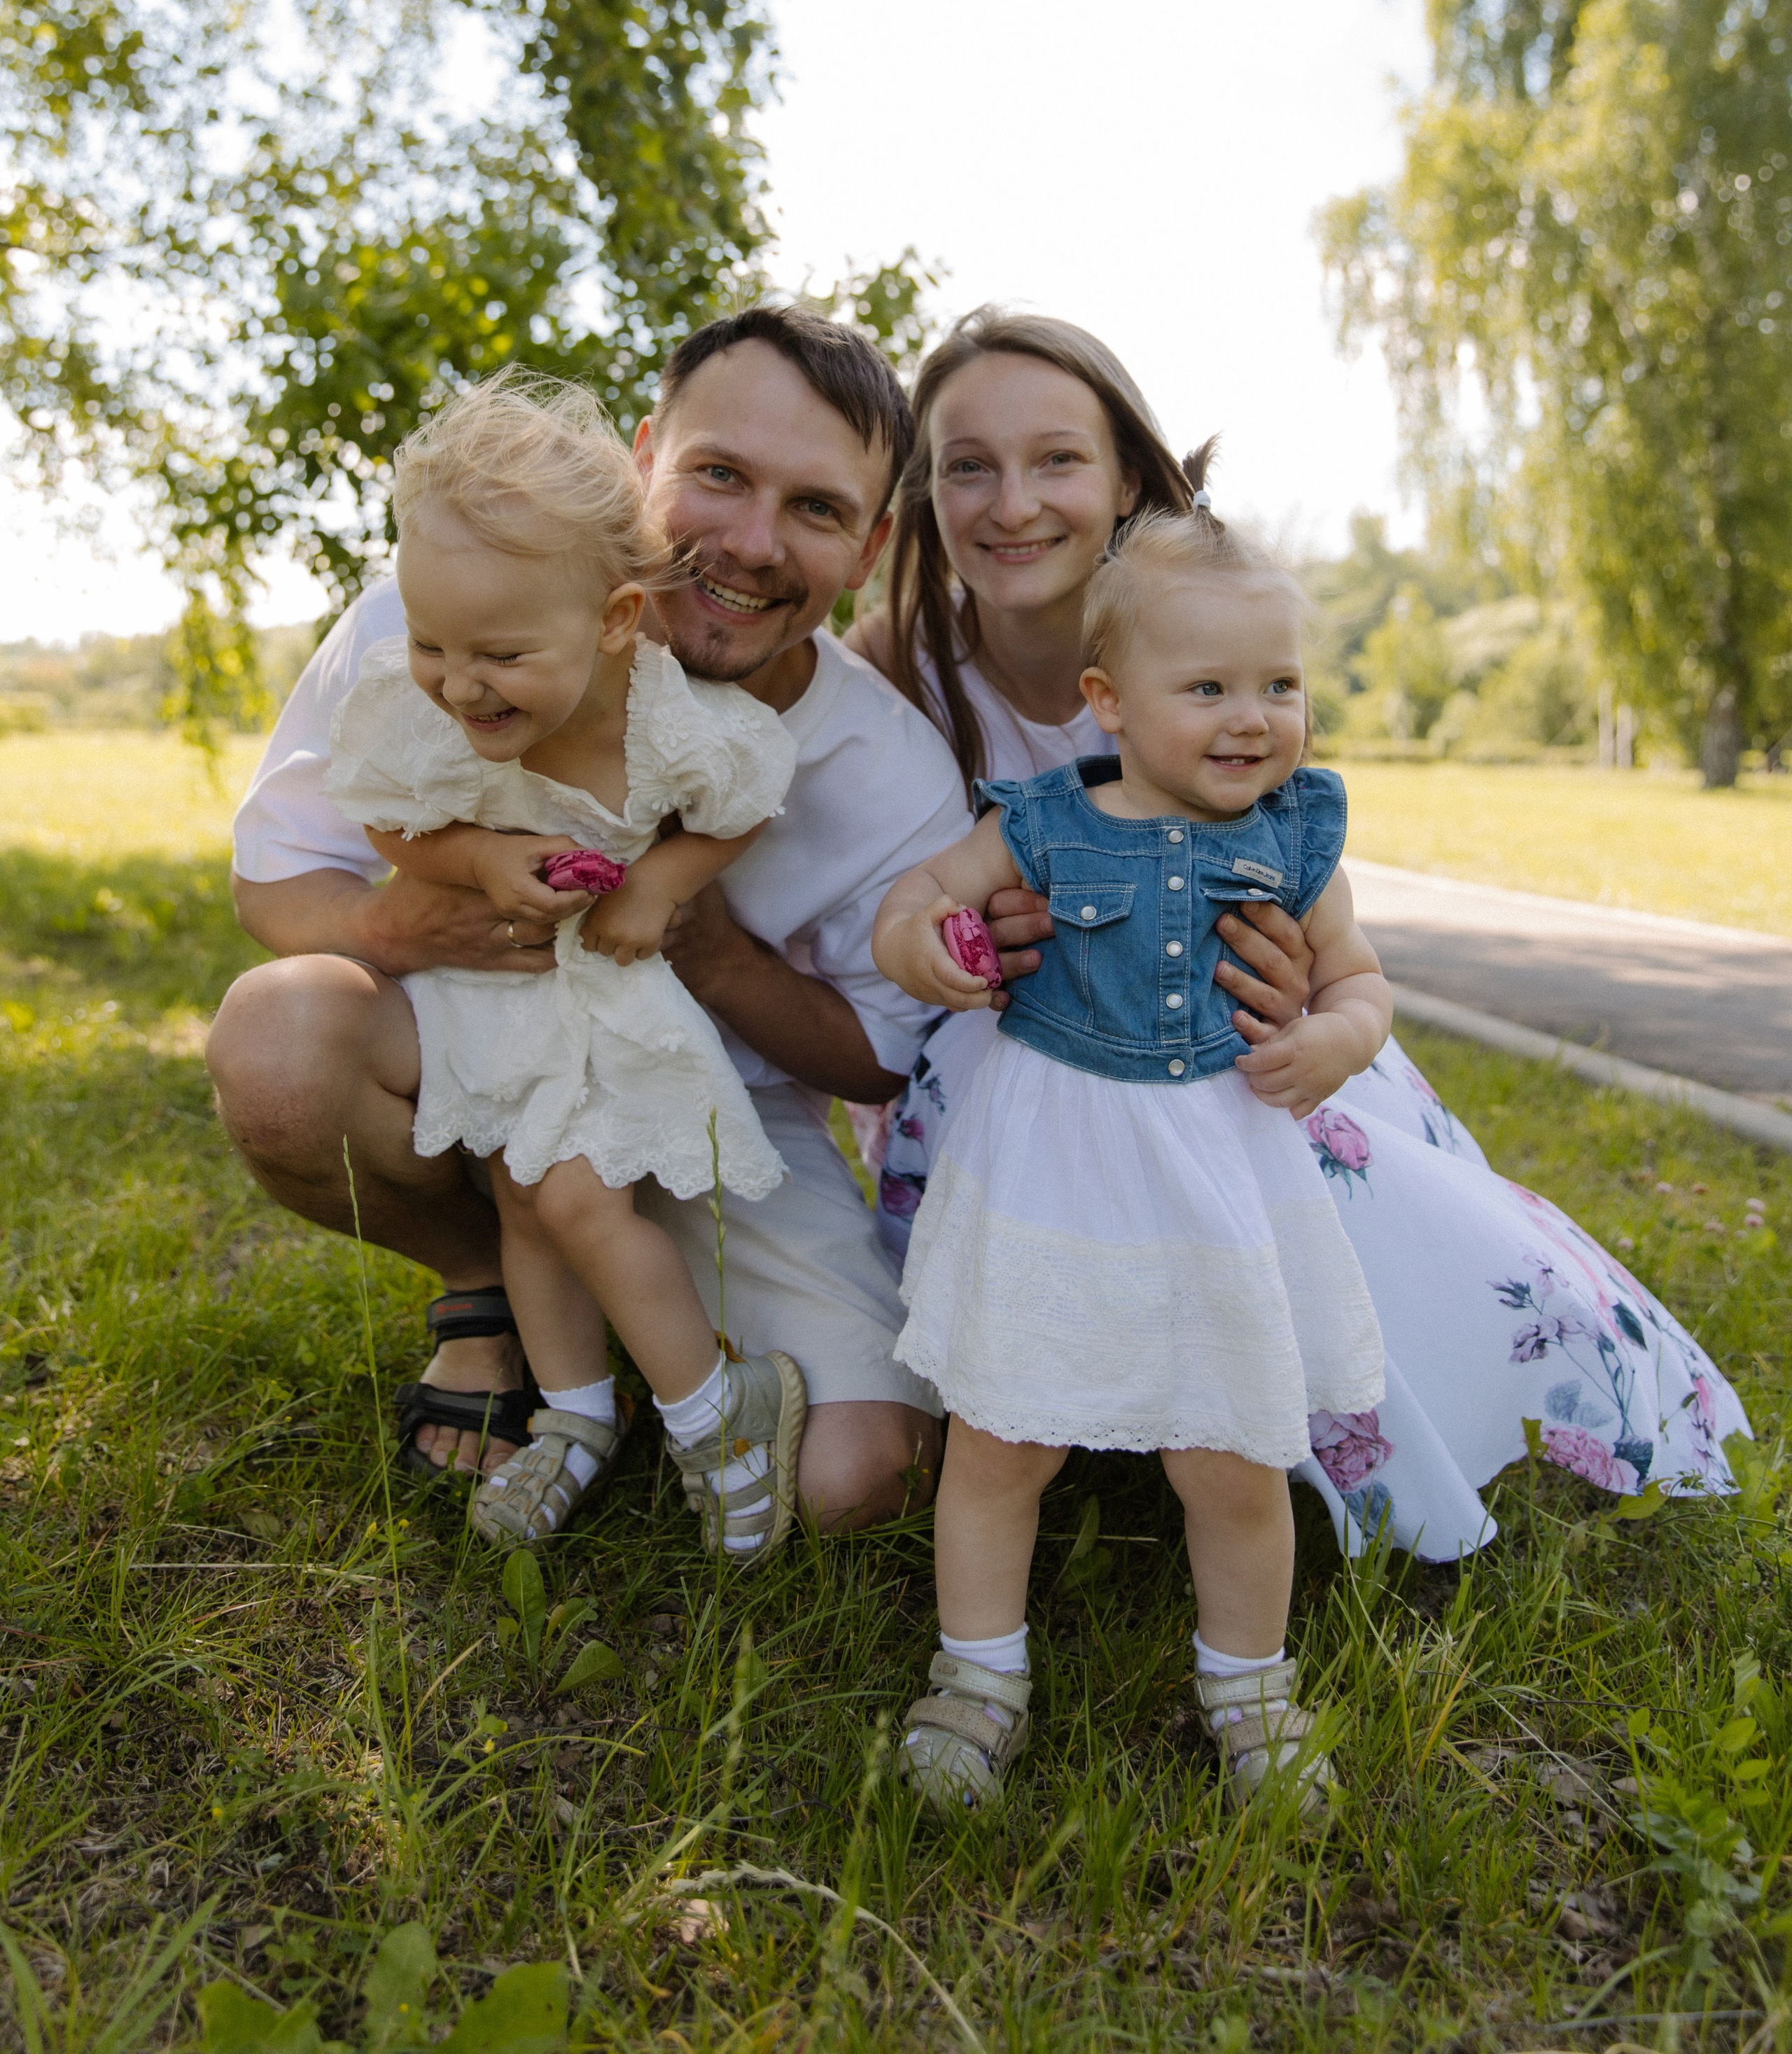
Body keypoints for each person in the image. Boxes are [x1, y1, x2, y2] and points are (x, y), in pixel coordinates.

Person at [849, 307, 1749, 1563]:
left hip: (1249, 1022)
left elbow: (1324, 932)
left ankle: (1367, 1426)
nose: (1012, 502)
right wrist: (956, 933)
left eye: (1056, 458)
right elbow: (903, 900)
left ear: (1125, 481)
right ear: (925, 490)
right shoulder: (901, 662)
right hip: (1033, 1058)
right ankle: (1067, 1401)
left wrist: (1310, 995)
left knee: (1331, 1174)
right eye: (967, 464)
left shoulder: (1220, 637)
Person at [206, 307, 1014, 1532]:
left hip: (711, 1104)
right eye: (720, 476)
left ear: (873, 542)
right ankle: (490, 1291)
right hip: (475, 1040)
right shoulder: (445, 611)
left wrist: (704, 939)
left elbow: (878, 1054)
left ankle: (647, 1341)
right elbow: (274, 880)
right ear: (645, 459)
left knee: (861, 1481)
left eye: (814, 507)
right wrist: (427, 915)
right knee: (278, 1047)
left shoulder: (888, 767)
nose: (747, 544)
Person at [874, 496, 1394, 1815]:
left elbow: (1363, 984)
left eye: (1281, 685)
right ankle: (977, 1676)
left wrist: (1336, 1040)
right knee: (1002, 1439)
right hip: (1056, 1171)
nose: (1251, 718)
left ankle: (1251, 1689)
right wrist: (926, 945)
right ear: (1109, 699)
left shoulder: (1297, 836)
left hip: (1220, 1179)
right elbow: (914, 901)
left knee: (1232, 1451)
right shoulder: (1046, 822)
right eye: (1208, 685)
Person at [323, 370, 807, 1558]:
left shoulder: (667, 716)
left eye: (496, 652)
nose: (458, 682)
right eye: (430, 641)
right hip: (501, 1003)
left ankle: (718, 1413)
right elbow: (387, 814)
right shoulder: (425, 705)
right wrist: (477, 855)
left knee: (582, 1198)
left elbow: (746, 800)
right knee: (529, 1202)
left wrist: (659, 882)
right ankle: (577, 1418)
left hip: (609, 1002)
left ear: (614, 619)